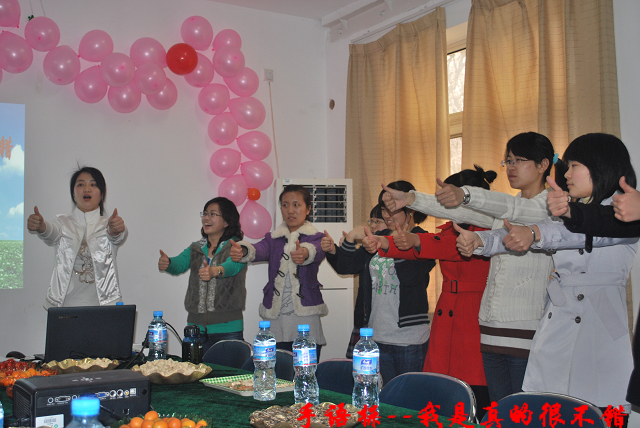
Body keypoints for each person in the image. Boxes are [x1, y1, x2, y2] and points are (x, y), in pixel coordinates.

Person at [456, 133, 637, 421]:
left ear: (600, 166)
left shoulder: (626, 214)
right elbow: (522, 232)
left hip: (600, 328)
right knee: (545, 412)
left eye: (575, 166)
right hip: (557, 324)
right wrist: (481, 241)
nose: (567, 174)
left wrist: (535, 233)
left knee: (601, 414)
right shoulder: (567, 211)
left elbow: (571, 233)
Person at [381, 132, 555, 402]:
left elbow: (509, 206)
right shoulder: (506, 212)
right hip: (491, 327)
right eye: (508, 161)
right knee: (498, 414)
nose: (511, 167)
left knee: (522, 412)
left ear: (543, 164)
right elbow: (463, 213)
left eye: (518, 160)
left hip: (525, 329)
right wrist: (411, 199)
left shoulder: (549, 206)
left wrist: (465, 194)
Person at [362, 166, 495, 414]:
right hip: (447, 313)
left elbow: (443, 247)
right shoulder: (445, 230)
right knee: (441, 391)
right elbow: (428, 247)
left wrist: (408, 240)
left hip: (474, 313)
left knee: (477, 391)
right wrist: (383, 241)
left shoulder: (488, 232)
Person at [322, 181, 435, 385]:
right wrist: (349, 240)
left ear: (409, 209)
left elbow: (411, 278)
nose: (387, 214)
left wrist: (394, 246)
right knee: (381, 397)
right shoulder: (378, 237)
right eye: (384, 208)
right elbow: (347, 267)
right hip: (376, 334)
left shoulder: (422, 239)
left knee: (408, 398)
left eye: (394, 208)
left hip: (409, 338)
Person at [230, 185, 327, 356]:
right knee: (275, 367)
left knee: (306, 368)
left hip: (306, 316)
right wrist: (243, 250)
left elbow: (317, 250)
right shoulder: (273, 239)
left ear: (308, 209)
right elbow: (258, 249)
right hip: (276, 317)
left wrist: (305, 252)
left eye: (296, 205)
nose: (290, 210)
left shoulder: (317, 237)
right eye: (285, 205)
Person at [27, 166, 127, 308]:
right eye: (80, 184)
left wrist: (115, 229)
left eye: (93, 184)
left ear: (102, 193)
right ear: (73, 194)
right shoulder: (63, 223)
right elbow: (51, 232)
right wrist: (41, 226)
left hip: (105, 306)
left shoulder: (108, 224)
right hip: (65, 306)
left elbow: (117, 236)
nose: (87, 189)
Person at [158, 197, 247, 354]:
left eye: (212, 214)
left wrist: (215, 271)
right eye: (205, 213)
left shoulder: (237, 248)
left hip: (228, 328)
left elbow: (233, 265)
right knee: (194, 369)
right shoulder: (196, 248)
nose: (206, 218)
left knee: (227, 370)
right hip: (195, 328)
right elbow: (179, 263)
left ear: (226, 221)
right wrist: (169, 263)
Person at [344, 204, 387, 359]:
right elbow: (346, 267)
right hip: (364, 319)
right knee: (359, 368)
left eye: (378, 221)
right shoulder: (366, 247)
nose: (373, 226)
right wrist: (348, 240)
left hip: (386, 322)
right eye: (371, 221)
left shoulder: (396, 248)